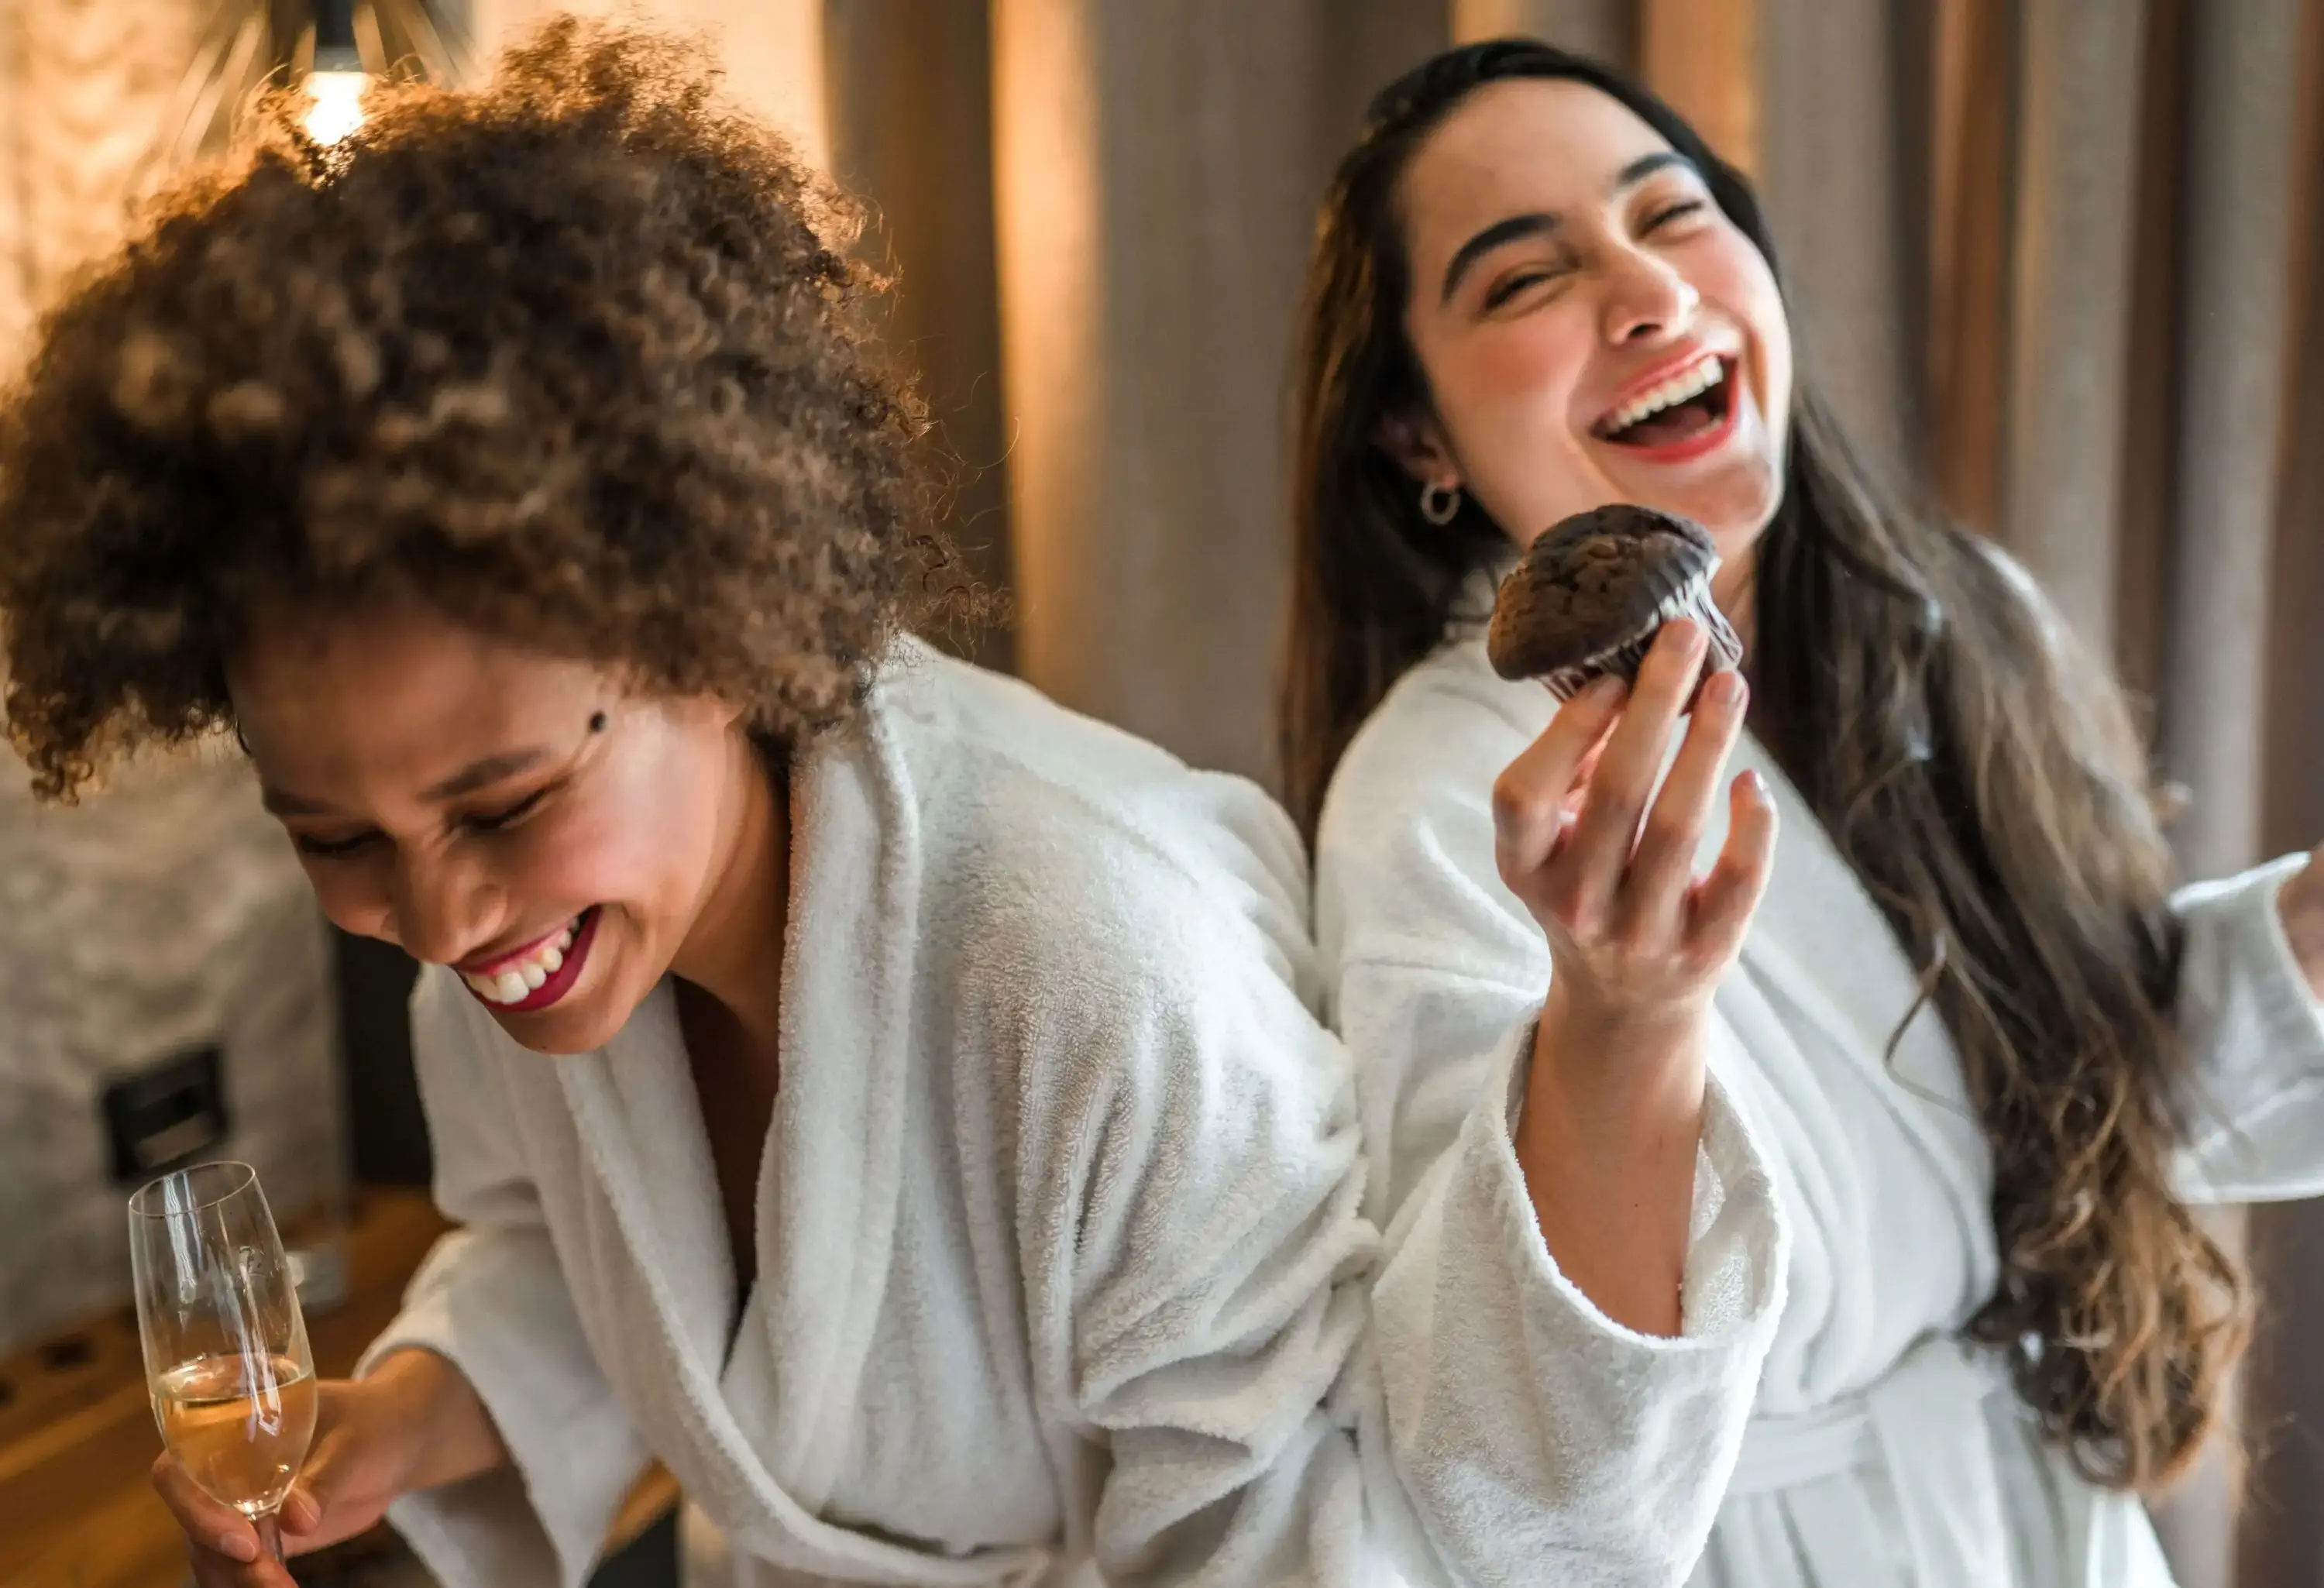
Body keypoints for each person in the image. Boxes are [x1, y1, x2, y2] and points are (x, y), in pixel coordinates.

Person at [3, 23, 1627, 1588]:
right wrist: (407, 1414)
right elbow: (590, 1262)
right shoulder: (531, 941)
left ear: (713, 633)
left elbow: (1304, 1537)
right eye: (334, 837)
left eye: (504, 803)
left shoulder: (1108, 969)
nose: (435, 918)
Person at [1285, 37, 2324, 1588]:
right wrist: (1624, 1012)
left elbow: (2115, 1096)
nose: (1647, 294)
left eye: (1672, 214)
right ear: (1415, 437)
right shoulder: (1441, 799)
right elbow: (1521, 1478)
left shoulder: (1966, 627)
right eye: (1523, 281)